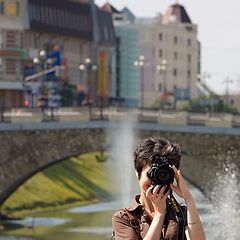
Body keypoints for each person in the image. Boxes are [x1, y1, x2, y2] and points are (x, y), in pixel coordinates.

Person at [112, 136, 205, 240]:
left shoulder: (181, 215)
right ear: (138, 173)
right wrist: (159, 215)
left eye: (164, 173)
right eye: (152, 173)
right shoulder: (124, 218)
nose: (157, 181)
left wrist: (189, 199)